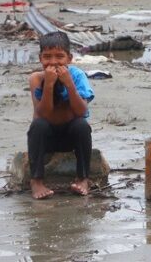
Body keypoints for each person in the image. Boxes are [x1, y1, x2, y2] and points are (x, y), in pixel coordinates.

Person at [28, 31, 94, 199]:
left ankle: (83, 178)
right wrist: (49, 85)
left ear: (69, 58)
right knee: (37, 126)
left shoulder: (78, 76)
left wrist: (69, 83)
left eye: (60, 56)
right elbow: (42, 114)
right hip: (47, 138)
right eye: (47, 57)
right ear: (40, 58)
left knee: (82, 126)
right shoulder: (36, 78)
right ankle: (36, 181)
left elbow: (81, 112)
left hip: (70, 137)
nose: (53, 62)